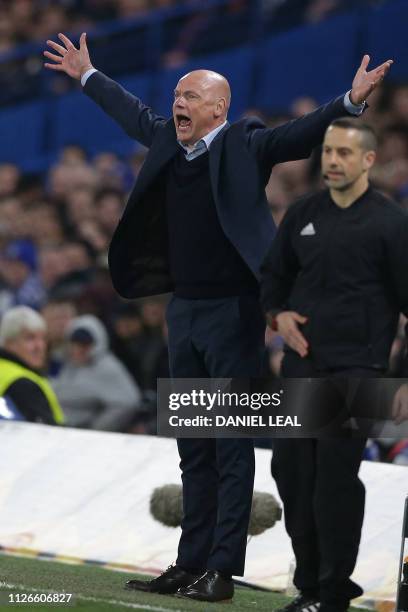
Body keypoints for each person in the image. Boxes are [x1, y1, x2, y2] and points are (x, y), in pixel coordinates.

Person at [44, 32, 391, 602]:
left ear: (216, 108)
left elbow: (297, 137)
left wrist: (348, 102)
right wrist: (88, 74)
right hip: (183, 310)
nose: (176, 102)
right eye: (176, 94)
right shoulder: (166, 141)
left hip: (233, 311)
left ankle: (222, 570)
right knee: (192, 443)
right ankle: (189, 561)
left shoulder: (243, 142)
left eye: (188, 95)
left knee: (228, 444)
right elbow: (132, 112)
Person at [260, 118, 408, 612]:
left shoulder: (391, 223)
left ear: (368, 160)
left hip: (359, 369)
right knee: (291, 472)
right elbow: (272, 279)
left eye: (344, 153)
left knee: (335, 479)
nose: (332, 161)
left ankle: (332, 590)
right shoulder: (303, 211)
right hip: (302, 365)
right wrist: (277, 314)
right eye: (327, 151)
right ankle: (310, 585)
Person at [52, 314, 142, 432]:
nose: (78, 349)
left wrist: (96, 429)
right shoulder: (67, 362)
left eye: (85, 344)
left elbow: (128, 403)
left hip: (83, 435)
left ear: (97, 344)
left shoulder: (107, 368)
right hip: (59, 430)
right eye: (75, 343)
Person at [0, 305, 64, 424]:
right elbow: (47, 434)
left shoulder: (5, 370)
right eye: (30, 338)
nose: (40, 346)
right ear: (9, 343)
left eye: (43, 339)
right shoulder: (22, 384)